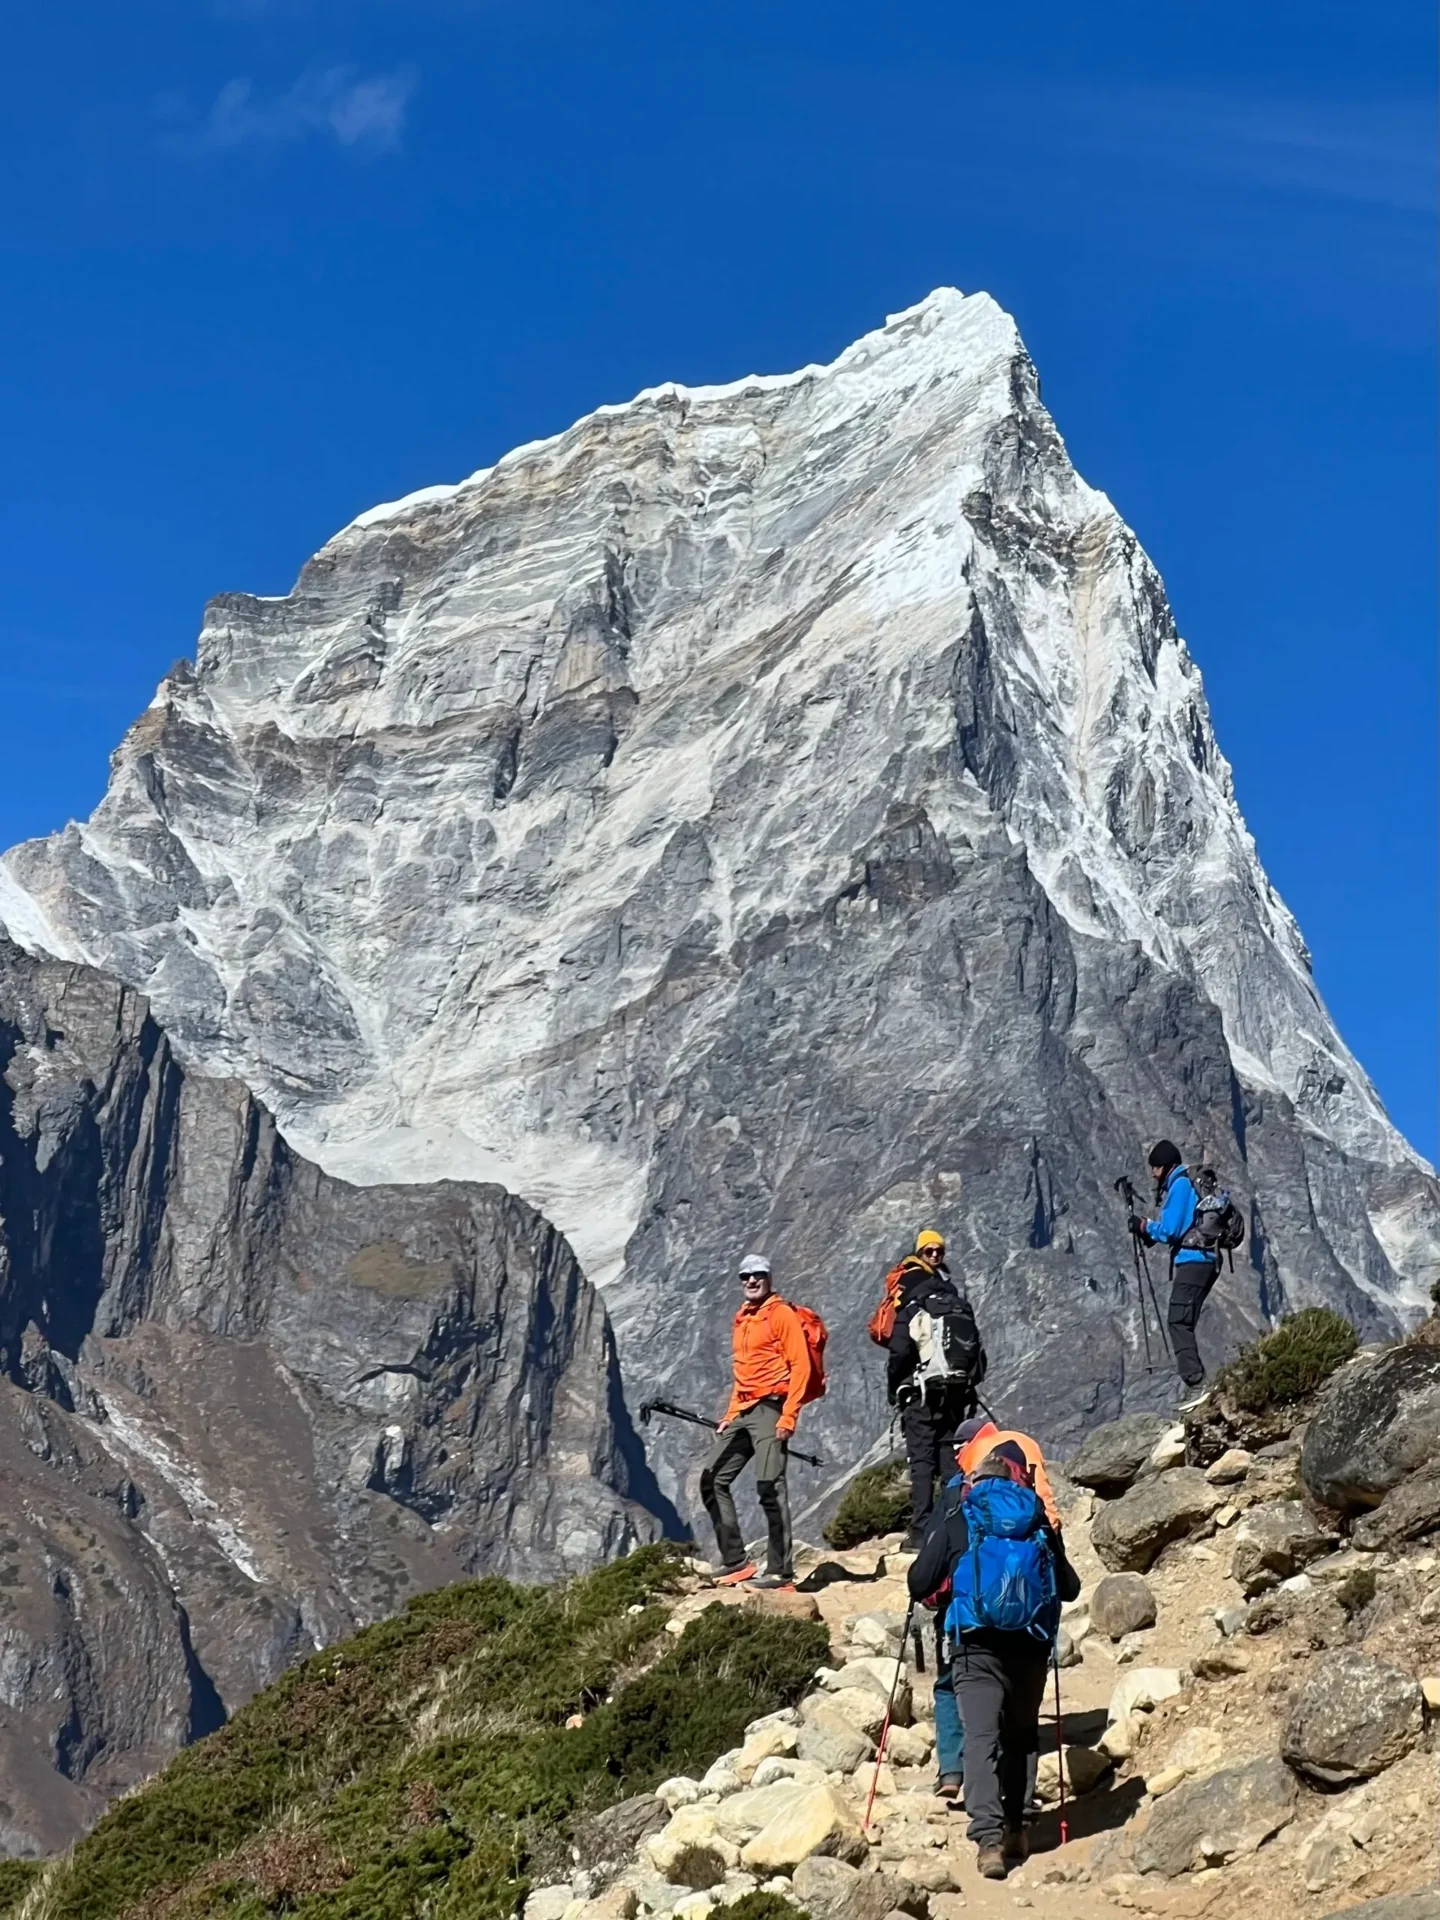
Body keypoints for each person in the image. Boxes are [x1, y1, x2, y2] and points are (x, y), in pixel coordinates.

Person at [909, 1441, 1080, 1879]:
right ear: (1016, 1481)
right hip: (1029, 1645)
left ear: (974, 1483)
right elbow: (1069, 1587)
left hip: (975, 1645)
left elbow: (919, 1580)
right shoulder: (1037, 1520)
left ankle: (987, 1842)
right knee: (1021, 1735)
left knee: (981, 1737)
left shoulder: (960, 1518)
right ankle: (1018, 1827)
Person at [925, 1416, 1066, 1803]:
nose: (955, 1452)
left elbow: (925, 1573)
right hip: (1029, 1624)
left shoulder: (961, 1497)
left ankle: (955, 1775)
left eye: (959, 1445)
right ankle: (1017, 1813)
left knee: (953, 1690)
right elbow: (1067, 1585)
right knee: (1020, 1724)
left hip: (971, 1624)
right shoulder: (1032, 1506)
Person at [699, 1252, 812, 1591]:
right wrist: (730, 1414)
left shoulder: (780, 1315)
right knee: (712, 1478)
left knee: (769, 1486)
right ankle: (736, 1562)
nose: (751, 1280)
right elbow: (743, 1374)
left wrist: (789, 1416)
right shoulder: (743, 1319)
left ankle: (781, 1572)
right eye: (745, 1276)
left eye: (758, 1274)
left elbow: (801, 1366)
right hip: (744, 1410)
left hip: (771, 1410)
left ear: (769, 1277)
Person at [886, 1228, 986, 1547]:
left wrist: (896, 1388)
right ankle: (954, 1525)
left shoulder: (911, 1299)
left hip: (920, 1393)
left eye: (935, 1250)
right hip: (955, 1393)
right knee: (949, 1460)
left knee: (921, 1461)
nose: (934, 1255)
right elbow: (977, 1352)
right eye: (930, 1251)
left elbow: (900, 1349)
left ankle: (920, 1533)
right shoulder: (955, 1298)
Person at [1133, 1139, 1219, 1393]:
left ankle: (1196, 1382)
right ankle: (1199, 1381)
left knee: (1178, 1322)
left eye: (1156, 1168)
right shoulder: (1185, 1184)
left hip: (1194, 1261)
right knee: (1185, 1322)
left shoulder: (1180, 1186)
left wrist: (1144, 1225)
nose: (1153, 1174)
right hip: (1204, 1260)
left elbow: (1170, 1230)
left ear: (1167, 1167)